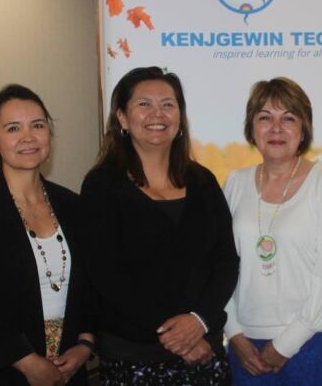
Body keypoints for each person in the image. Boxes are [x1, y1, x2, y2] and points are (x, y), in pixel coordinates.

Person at [79, 66, 239, 385]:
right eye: (144, 104)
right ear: (122, 118)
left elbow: (226, 262)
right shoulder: (102, 185)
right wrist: (175, 334)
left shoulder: (202, 181)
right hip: (133, 356)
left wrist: (199, 322)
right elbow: (105, 276)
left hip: (204, 350)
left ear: (180, 117)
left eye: (168, 104)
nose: (158, 113)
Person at [0, 84, 94, 386]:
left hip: (69, 368)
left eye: (37, 125)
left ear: (49, 135)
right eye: (13, 128)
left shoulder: (74, 206)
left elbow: (92, 284)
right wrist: (27, 363)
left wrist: (85, 344)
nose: (28, 137)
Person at [223, 77, 322, 385]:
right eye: (264, 118)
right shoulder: (235, 183)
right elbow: (219, 265)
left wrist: (286, 344)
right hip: (246, 345)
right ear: (251, 128)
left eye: (288, 118)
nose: (276, 128)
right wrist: (233, 332)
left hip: (314, 340)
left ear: (303, 130)